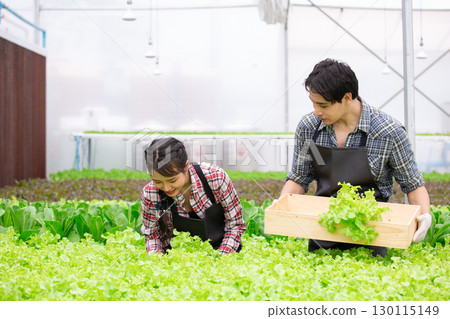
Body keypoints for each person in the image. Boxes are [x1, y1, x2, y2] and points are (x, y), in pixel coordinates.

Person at [280, 58, 431, 257]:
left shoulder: (388, 132)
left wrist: (424, 216)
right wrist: (281, 207)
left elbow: (412, 185)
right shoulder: (309, 127)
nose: (316, 112)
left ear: (347, 98)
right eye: (313, 104)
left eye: (323, 105)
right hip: (322, 234)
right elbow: (299, 178)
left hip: (372, 236)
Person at [141, 137, 246, 255]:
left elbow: (235, 224)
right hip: (177, 260)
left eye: (172, 180)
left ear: (186, 167)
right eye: (158, 181)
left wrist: (221, 260)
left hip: (222, 251)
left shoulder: (215, 177)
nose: (166, 188)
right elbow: (152, 236)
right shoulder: (150, 194)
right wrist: (159, 262)